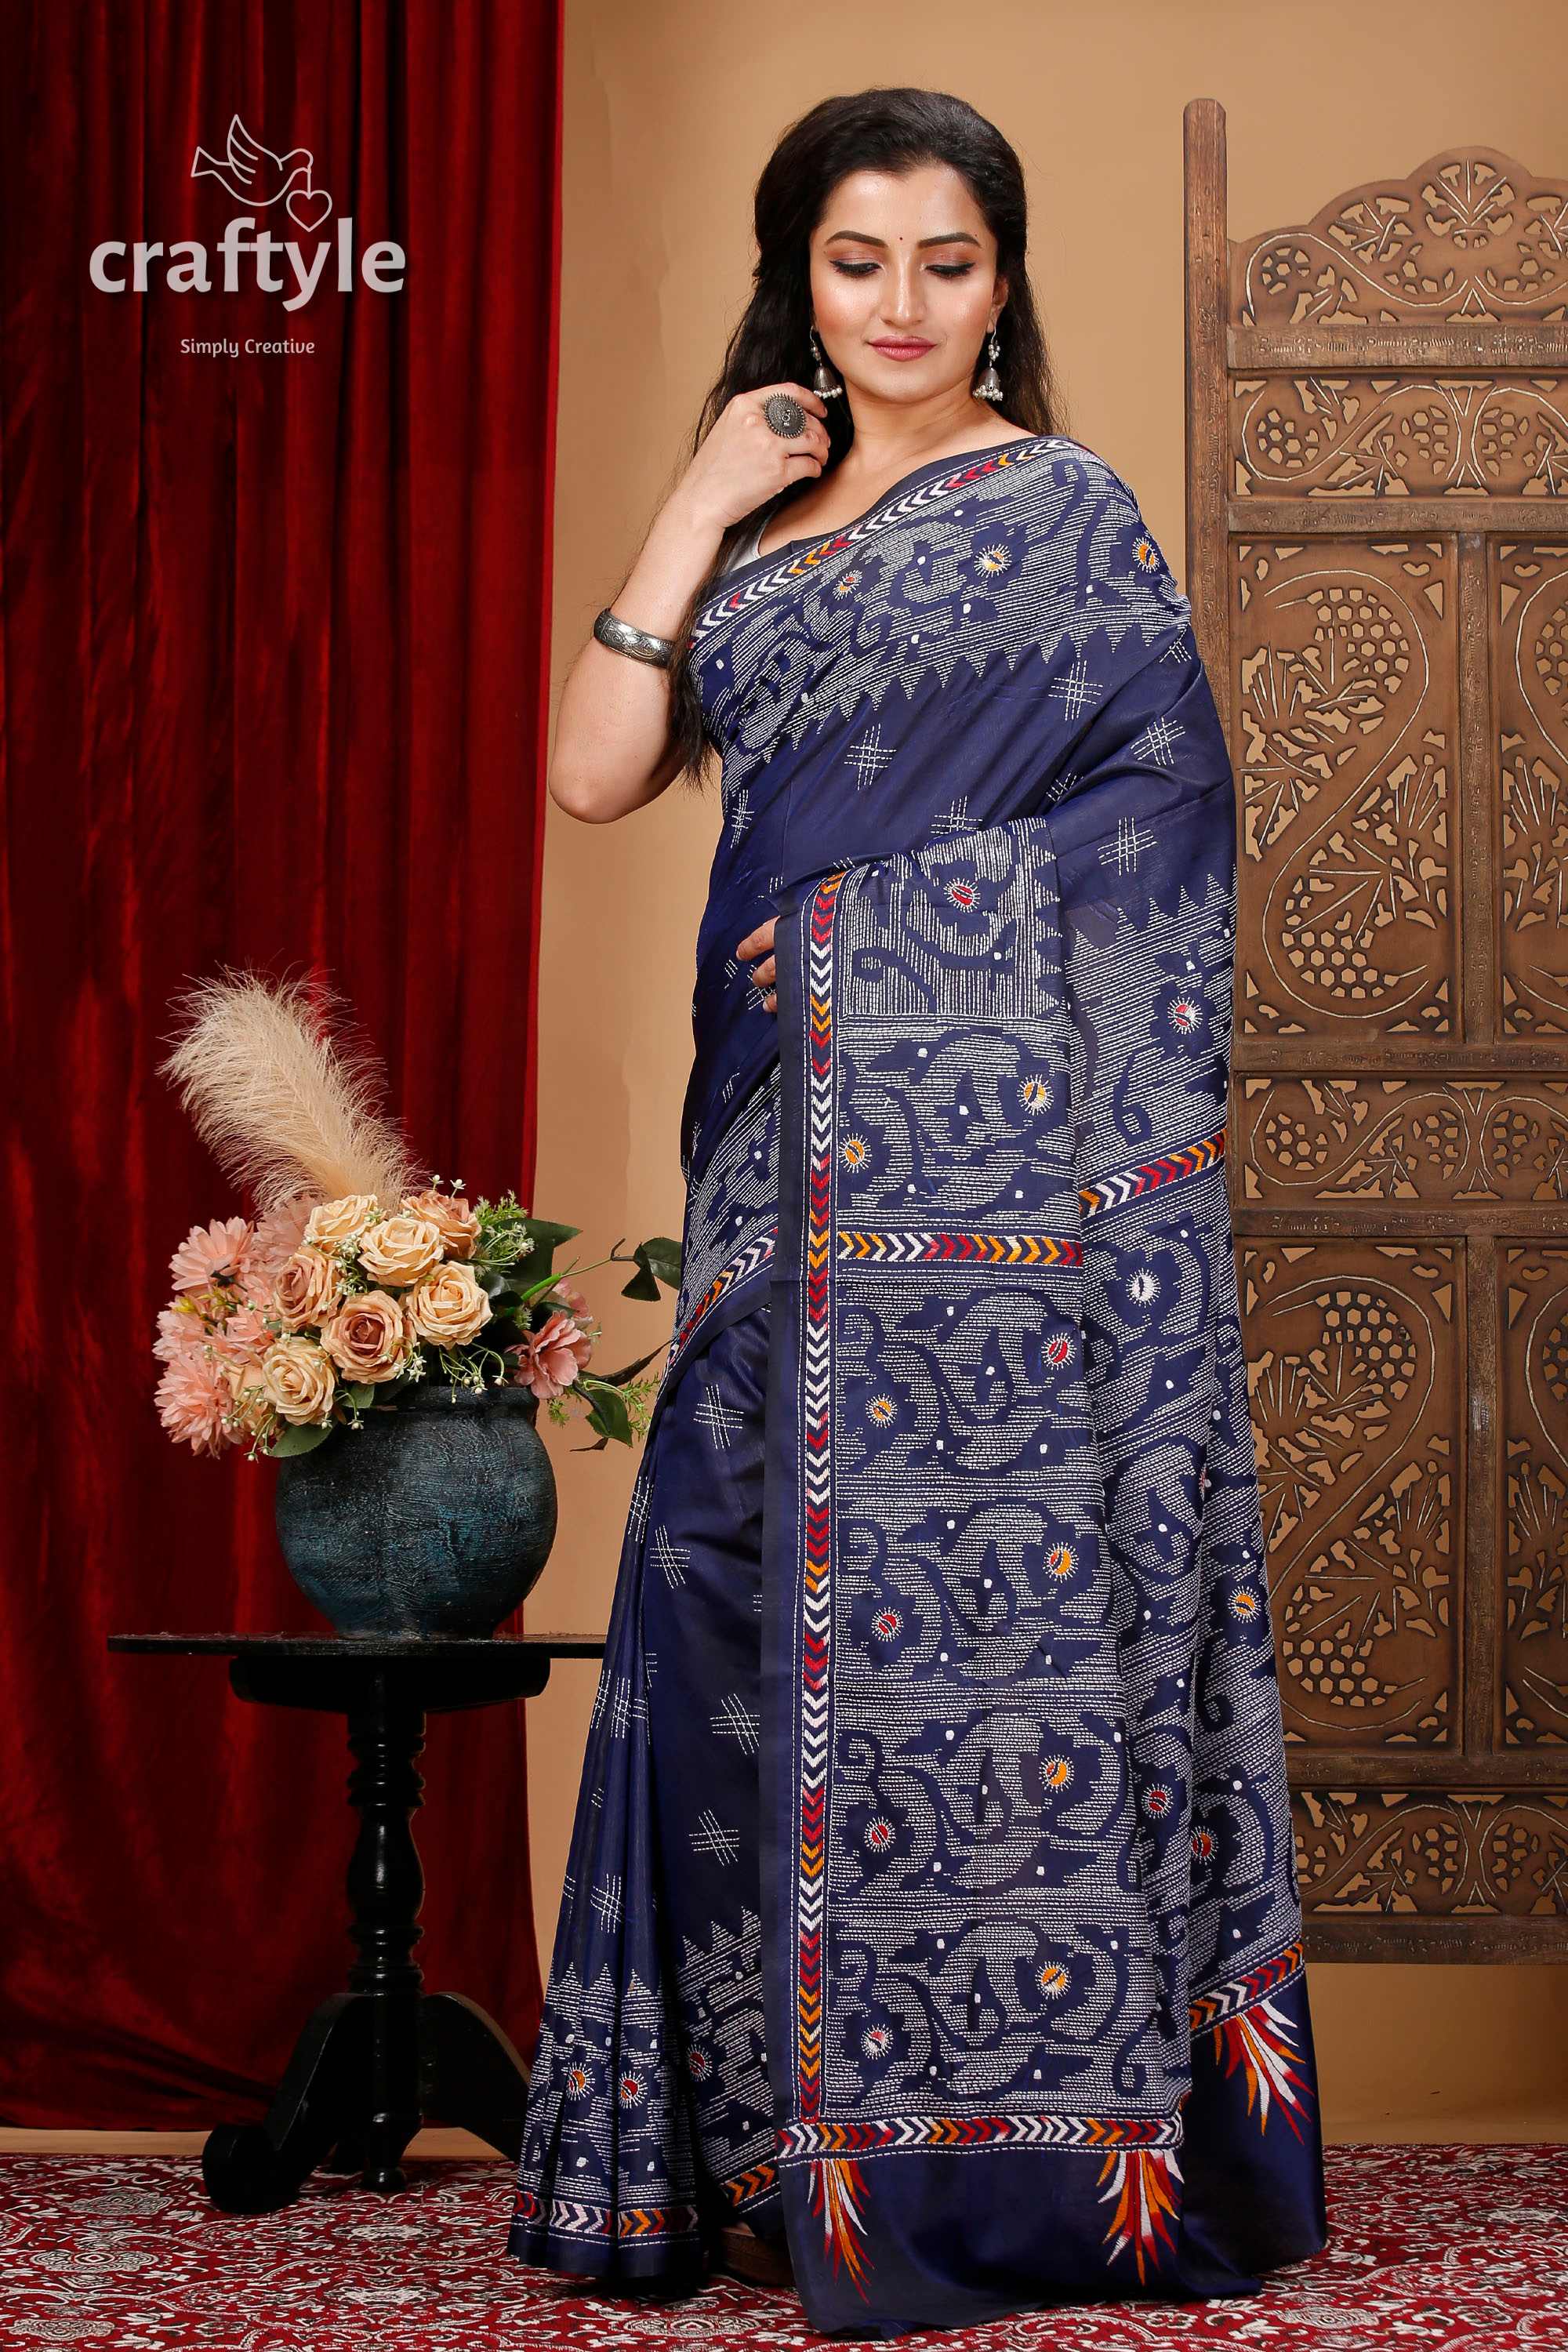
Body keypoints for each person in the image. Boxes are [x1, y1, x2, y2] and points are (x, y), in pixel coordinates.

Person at [508, 85, 1328, 2339]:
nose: (901, 307)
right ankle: (770, 2150)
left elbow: (1170, 824)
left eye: (946, 263)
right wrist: (694, 499)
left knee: (977, 1627)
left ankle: (1012, 2171)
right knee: (724, 1606)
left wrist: (891, 937)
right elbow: (594, 773)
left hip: (992, 1207)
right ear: (803, 276)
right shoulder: (758, 531)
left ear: (1004, 276)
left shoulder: (1061, 512)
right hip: (783, 1165)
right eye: (857, 262)